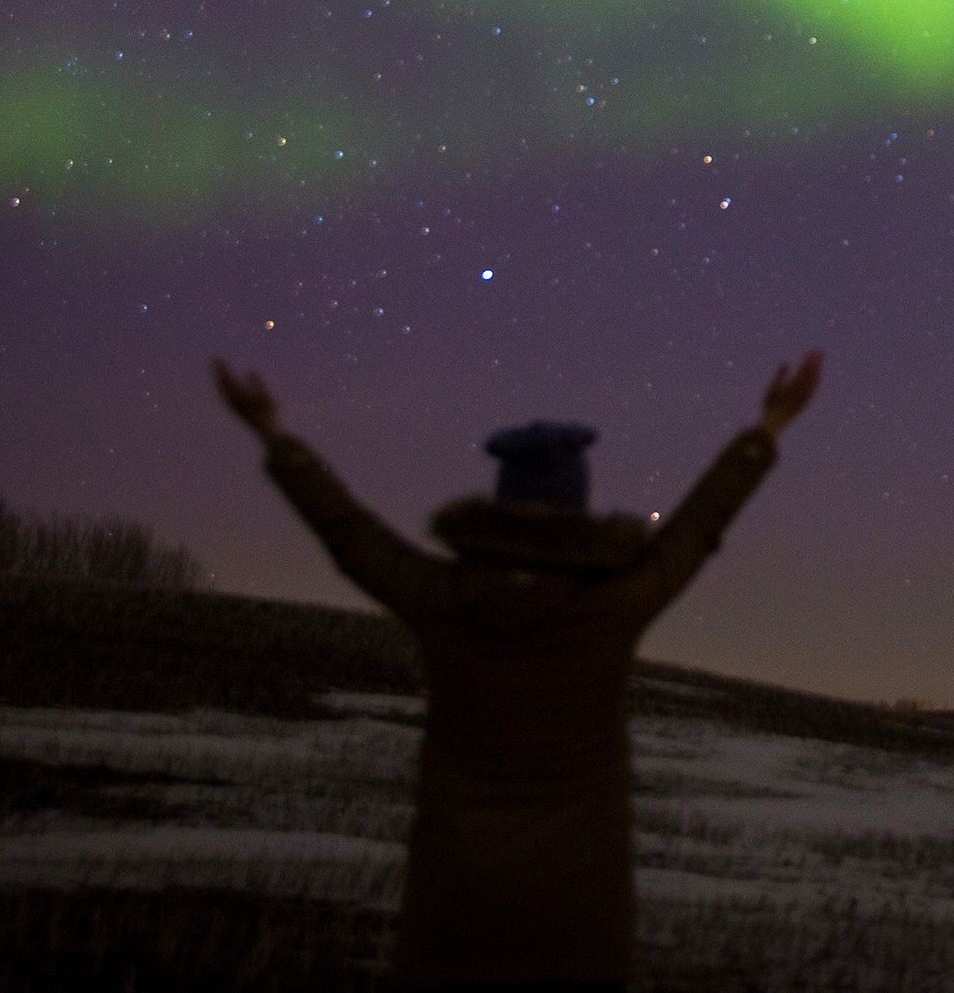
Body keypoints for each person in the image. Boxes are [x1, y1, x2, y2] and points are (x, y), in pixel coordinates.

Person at [213, 349, 822, 993]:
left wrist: (274, 435)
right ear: (577, 502)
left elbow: (346, 531)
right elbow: (699, 527)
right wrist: (768, 428)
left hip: (454, 910)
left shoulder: (444, 598)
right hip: (580, 915)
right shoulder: (610, 607)